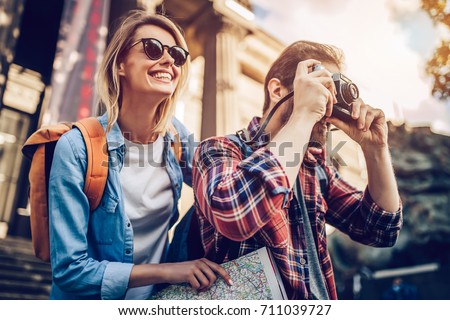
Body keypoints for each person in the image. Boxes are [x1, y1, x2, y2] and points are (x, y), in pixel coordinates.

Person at [192, 40, 403, 299]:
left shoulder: (317, 170)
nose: (327, 106)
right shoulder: (220, 149)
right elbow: (235, 215)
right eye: (322, 88)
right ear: (277, 90)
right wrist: (303, 113)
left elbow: (381, 230)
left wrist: (376, 150)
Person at [48, 10, 230, 300]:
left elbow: (226, 188)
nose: (169, 61)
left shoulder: (176, 138)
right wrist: (173, 271)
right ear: (121, 63)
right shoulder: (77, 148)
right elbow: (70, 270)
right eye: (153, 49)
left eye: (178, 55)